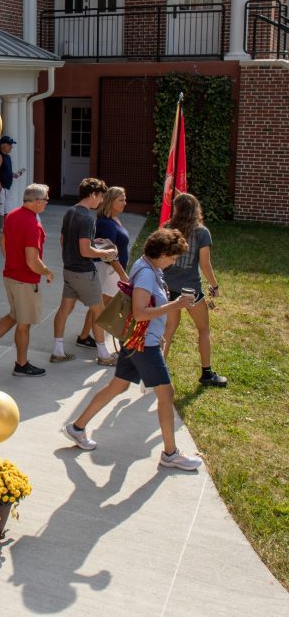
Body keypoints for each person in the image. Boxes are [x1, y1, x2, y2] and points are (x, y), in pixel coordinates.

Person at [61, 228, 202, 471]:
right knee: (166, 395)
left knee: (118, 385)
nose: (174, 262)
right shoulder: (147, 274)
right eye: (173, 257)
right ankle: (170, 453)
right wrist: (175, 305)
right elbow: (139, 312)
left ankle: (77, 427)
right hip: (143, 344)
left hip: (137, 341)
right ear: (163, 253)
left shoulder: (146, 265)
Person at [0, 183, 53, 377]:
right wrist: (47, 272)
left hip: (10, 276)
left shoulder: (13, 215)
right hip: (25, 281)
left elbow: (3, 241)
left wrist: (12, 262)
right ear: (36, 201)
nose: (47, 204)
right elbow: (33, 261)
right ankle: (21, 365)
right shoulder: (32, 224)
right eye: (46, 200)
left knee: (15, 314)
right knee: (24, 324)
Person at [51, 178, 118, 365]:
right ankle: (104, 355)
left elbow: (64, 241)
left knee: (64, 310)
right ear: (92, 194)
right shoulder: (87, 218)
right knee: (99, 312)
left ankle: (58, 351)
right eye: (101, 197)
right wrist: (106, 252)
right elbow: (85, 251)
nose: (101, 201)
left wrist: (92, 245)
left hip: (69, 269)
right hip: (84, 272)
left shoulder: (70, 212)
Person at [163, 193, 227, 387]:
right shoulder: (201, 232)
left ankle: (158, 370)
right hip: (189, 290)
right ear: (195, 209)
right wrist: (214, 286)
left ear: (178, 210)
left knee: (169, 329)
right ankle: (207, 374)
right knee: (204, 330)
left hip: (167, 287)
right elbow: (205, 265)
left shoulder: (167, 228)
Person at [78, 186, 130, 347]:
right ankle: (97, 343)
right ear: (110, 201)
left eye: (124, 199)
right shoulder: (106, 224)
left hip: (112, 270)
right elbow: (108, 254)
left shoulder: (114, 219)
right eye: (120, 200)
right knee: (100, 308)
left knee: (97, 306)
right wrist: (122, 274)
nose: (124, 203)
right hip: (108, 270)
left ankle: (84, 336)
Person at [0, 135, 24, 244]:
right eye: (9, 144)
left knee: (7, 212)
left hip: (6, 188)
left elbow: (4, 171)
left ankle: (6, 235)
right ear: (3, 145)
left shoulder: (7, 156)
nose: (11, 147)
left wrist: (13, 175)